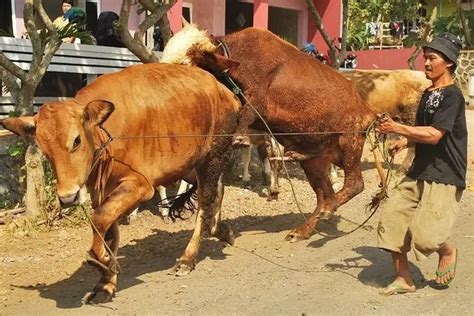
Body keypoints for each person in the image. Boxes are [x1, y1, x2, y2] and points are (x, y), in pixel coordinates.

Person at [375, 32, 466, 296]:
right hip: (419, 171)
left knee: (427, 238)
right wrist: (404, 142)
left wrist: (397, 128)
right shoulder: (428, 93)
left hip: (445, 173)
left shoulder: (452, 97)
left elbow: (436, 134)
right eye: (425, 58)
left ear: (448, 62)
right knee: (392, 223)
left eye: (432, 58)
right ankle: (405, 279)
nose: (425, 63)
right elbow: (423, 130)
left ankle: (447, 249)